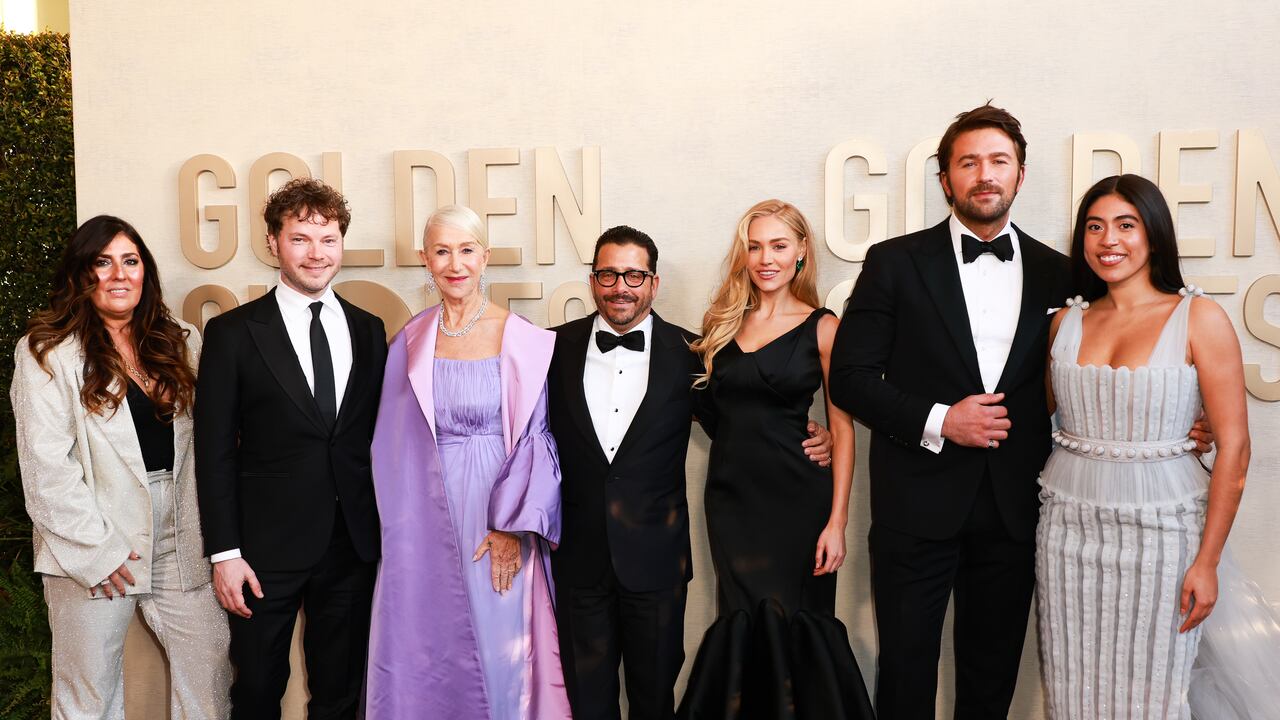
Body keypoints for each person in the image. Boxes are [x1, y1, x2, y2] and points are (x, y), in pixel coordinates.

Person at [829, 103, 1074, 719]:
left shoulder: (1062, 273)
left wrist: (1183, 423)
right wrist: (943, 419)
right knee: (906, 676)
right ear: (946, 179)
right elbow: (850, 380)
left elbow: (1107, 365)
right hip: (915, 503)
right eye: (969, 162)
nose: (984, 174)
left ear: (1020, 175)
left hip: (1017, 506)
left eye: (999, 161)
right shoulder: (894, 262)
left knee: (991, 681)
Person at [548, 225, 834, 720]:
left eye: (634, 275)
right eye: (609, 274)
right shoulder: (548, 349)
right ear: (592, 280)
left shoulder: (695, 353)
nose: (621, 286)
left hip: (657, 560)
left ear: (654, 283)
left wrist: (809, 434)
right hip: (578, 558)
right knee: (586, 702)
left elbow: (744, 422)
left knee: (655, 699)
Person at [1037, 174, 1280, 720]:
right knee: (1071, 687)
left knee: (1153, 693)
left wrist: (1208, 563)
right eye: (1094, 227)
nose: (1109, 240)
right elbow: (1055, 419)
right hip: (1066, 535)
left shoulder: (1200, 317)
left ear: (1154, 235)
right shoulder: (1063, 324)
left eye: (1127, 225)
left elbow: (1236, 449)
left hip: (1166, 537)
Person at [11, 215, 231, 718]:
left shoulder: (180, 340)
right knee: (89, 696)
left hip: (180, 534)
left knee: (210, 679)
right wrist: (96, 550)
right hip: (94, 536)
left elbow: (207, 445)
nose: (118, 275)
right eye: (102, 262)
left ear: (145, 273)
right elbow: (46, 468)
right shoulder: (46, 353)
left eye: (130, 261)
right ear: (81, 274)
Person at [364, 204, 571, 720]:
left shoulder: (522, 339)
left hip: (498, 517)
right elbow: (388, 445)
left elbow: (535, 440)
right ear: (425, 260)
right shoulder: (408, 343)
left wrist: (512, 527)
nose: (455, 264)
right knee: (429, 642)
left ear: (486, 257)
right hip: (426, 516)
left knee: (502, 647)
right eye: (442, 251)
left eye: (466, 250)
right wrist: (401, 531)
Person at [195, 178, 387, 719]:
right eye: (300, 238)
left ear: (342, 244)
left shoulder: (369, 330)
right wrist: (225, 554)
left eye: (328, 239)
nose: (316, 253)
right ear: (273, 243)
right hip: (261, 553)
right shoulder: (233, 334)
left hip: (351, 545)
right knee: (256, 692)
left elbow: (374, 441)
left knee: (341, 694)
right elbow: (214, 452)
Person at [678, 200, 873, 719]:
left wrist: (838, 523)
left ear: (801, 253)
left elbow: (843, 430)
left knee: (796, 623)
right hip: (731, 503)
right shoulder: (721, 325)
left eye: (779, 245)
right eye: (756, 245)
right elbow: (714, 412)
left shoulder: (824, 327)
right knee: (742, 622)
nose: (766, 258)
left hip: (798, 504)